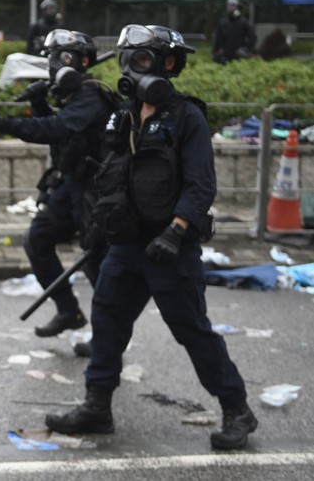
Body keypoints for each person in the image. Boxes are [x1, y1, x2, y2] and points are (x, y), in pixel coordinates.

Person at [45, 24, 258, 451]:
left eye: (147, 60)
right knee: (106, 322)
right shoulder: (122, 115)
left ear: (169, 66)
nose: (138, 69)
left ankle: (237, 410)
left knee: (192, 330)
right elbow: (108, 173)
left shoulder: (186, 117)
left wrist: (176, 233)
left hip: (169, 247)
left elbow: (201, 186)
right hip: (124, 244)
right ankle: (97, 407)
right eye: (133, 59)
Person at [0, 29, 115, 346]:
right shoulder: (72, 96)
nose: (56, 64)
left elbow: (58, 128)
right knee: (37, 238)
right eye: (53, 57)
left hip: (95, 190)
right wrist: (41, 103)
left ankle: (109, 340)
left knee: (96, 262)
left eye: (64, 57)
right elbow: (64, 141)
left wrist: (7, 125)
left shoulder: (92, 95)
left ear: (83, 61)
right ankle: (68, 311)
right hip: (71, 185)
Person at [212, 0, 256, 64]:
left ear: (237, 7)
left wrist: (245, 49)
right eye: (228, 5)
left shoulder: (244, 22)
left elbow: (252, 38)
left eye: (233, 5)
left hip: (239, 55)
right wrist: (216, 51)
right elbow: (217, 39)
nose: (230, 7)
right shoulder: (222, 22)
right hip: (225, 55)